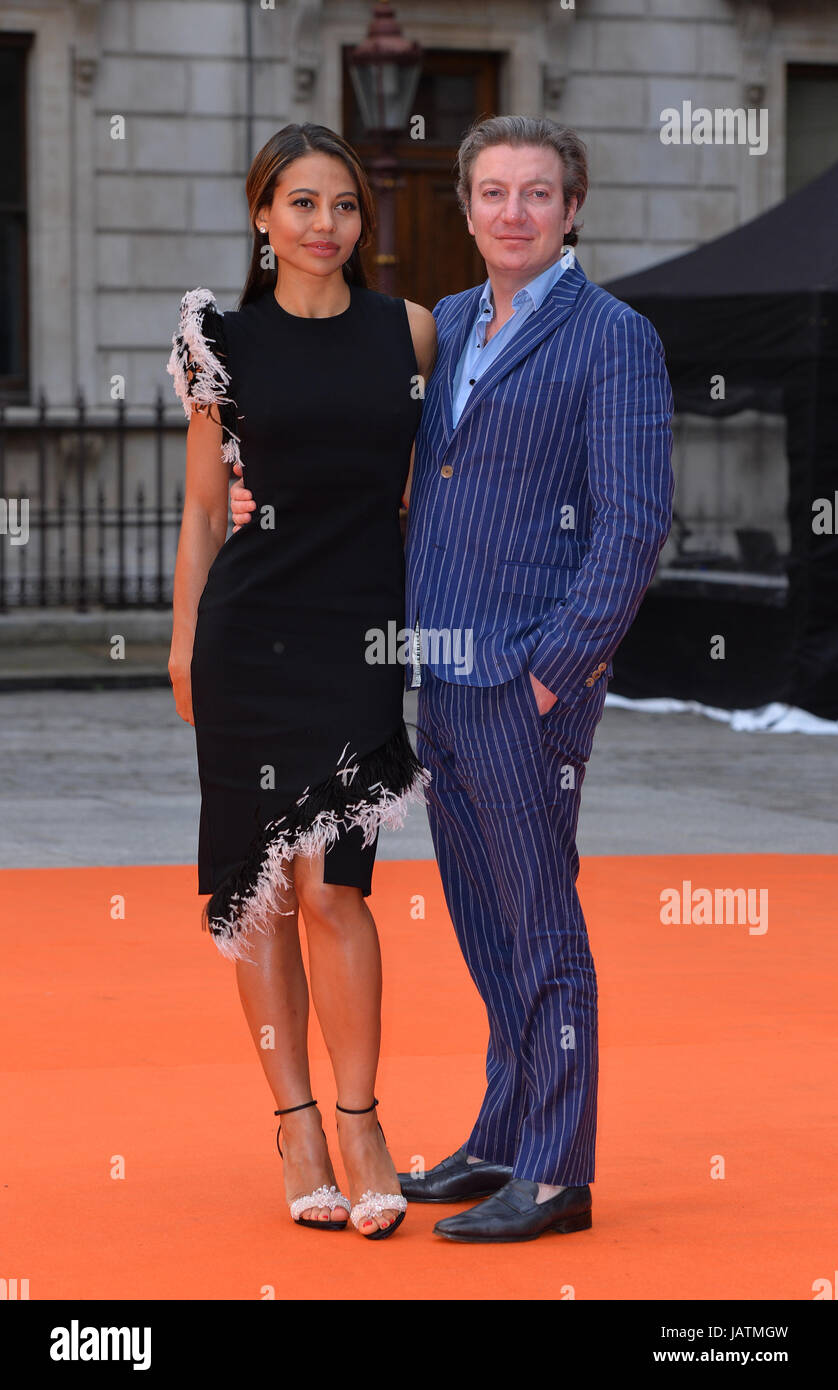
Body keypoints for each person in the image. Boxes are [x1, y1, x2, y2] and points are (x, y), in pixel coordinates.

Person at [231, 114, 674, 1244]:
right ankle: (505, 1131)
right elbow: (387, 470)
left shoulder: (611, 335)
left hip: (526, 680)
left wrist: (554, 669)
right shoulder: (454, 324)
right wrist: (256, 498)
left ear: (572, 208)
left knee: (539, 924)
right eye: (492, 192)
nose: (512, 212)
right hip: (435, 669)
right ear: (467, 208)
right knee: (482, 917)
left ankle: (558, 1169)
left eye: (536, 193)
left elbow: (631, 524)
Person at [167, 122, 436, 1239]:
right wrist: (182, 642)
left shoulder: (410, 332)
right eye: (302, 203)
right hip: (249, 635)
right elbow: (197, 507)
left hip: (358, 636)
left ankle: (364, 1118)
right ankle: (295, 1124)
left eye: (343, 206)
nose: (325, 225)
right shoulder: (216, 338)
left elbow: (435, 485)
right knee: (264, 892)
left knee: (338, 888)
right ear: (261, 216)